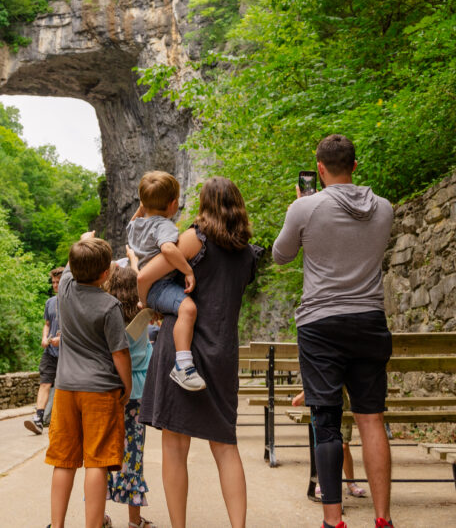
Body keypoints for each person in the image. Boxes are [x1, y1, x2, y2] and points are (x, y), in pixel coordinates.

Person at [273, 134, 395, 528]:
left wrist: (298, 205)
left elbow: (281, 255)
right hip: (370, 320)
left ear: (319, 169)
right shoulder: (385, 209)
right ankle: (382, 518)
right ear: (356, 166)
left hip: (321, 323)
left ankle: (333, 522)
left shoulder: (305, 207)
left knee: (325, 418)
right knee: (371, 418)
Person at [139, 177, 262, 528]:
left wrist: (151, 300)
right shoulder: (248, 253)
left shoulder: (194, 240)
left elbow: (146, 274)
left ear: (205, 205)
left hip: (183, 352)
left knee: (176, 448)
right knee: (225, 445)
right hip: (222, 353)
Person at [46, 235, 132, 528]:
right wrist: (127, 386)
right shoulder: (109, 306)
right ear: (105, 274)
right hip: (101, 390)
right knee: (96, 461)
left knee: (64, 459)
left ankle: (56, 525)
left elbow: (72, 264)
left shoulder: (65, 292)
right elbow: (119, 353)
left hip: (66, 388)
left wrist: (82, 240)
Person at [127, 171, 204, 391]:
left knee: (184, 308)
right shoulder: (164, 226)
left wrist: (143, 205)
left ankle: (182, 362)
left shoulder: (135, 226)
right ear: (173, 204)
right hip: (161, 285)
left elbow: (135, 218)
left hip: (148, 288)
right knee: (188, 309)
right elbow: (168, 248)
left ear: (142, 204)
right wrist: (187, 270)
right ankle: (183, 365)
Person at [104, 265, 157, 528]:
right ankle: (135, 522)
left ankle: (99, 516)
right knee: (134, 454)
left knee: (103, 454)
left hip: (112, 390)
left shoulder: (107, 317)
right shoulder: (144, 314)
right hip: (138, 392)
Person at [292, 390, 368, 499]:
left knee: (344, 446)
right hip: (321, 406)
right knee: (324, 446)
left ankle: (350, 483)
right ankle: (325, 484)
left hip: (341, 405)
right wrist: (302, 396)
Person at [27, 267, 64, 434]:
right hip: (50, 351)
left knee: (64, 387)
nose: (55, 285)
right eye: (53, 282)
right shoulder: (49, 303)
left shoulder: (72, 302)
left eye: (58, 282)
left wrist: (61, 339)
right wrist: (44, 338)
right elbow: (47, 324)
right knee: (45, 383)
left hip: (67, 353)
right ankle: (38, 419)